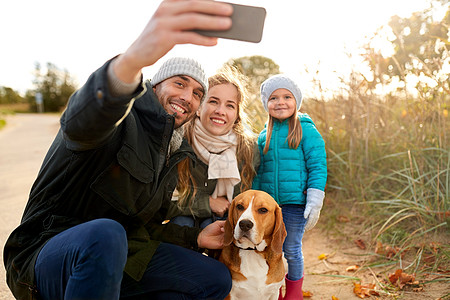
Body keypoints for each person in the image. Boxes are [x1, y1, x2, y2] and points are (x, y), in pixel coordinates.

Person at [3, 1, 236, 299]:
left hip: (118, 257)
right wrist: (132, 61)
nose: (187, 97)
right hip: (47, 256)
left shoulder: (173, 151)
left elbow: (145, 228)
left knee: (213, 278)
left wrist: (196, 236)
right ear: (154, 86)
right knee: (106, 233)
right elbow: (82, 122)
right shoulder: (120, 118)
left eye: (197, 93)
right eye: (180, 83)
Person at [252, 74, 327, 300]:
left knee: (291, 249)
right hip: (268, 207)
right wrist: (252, 201)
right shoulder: (263, 136)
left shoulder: (306, 130)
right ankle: (274, 289)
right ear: (266, 104)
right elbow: (258, 172)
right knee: (269, 249)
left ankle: (294, 292)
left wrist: (314, 198)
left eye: (287, 96)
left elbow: (317, 165)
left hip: (295, 203)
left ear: (296, 101)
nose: (280, 102)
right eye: (273, 98)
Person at [171, 67, 257, 229]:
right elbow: (164, 201)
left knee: (221, 227)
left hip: (227, 219)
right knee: (182, 224)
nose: (220, 111)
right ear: (198, 108)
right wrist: (207, 203)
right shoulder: (178, 141)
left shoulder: (248, 148)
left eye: (230, 106)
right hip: (184, 217)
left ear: (237, 114)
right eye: (213, 101)